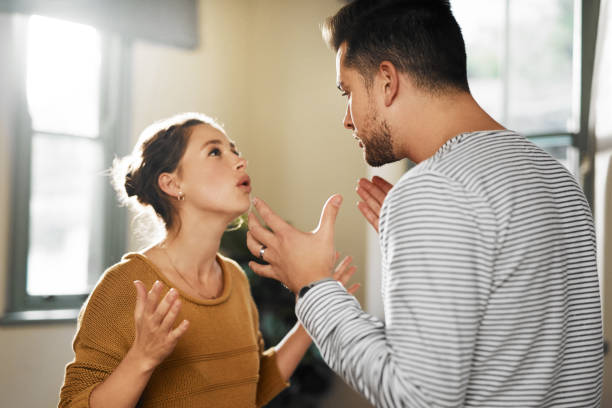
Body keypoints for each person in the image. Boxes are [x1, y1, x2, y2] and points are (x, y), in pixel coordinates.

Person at [245, 0, 603, 407]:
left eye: (347, 92)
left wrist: (313, 286)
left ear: (386, 81)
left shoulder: (433, 191)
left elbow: (418, 400)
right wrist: (424, 248)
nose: (347, 118)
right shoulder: (555, 175)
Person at [58, 112, 358, 407]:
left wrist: (310, 318)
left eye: (235, 150)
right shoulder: (126, 285)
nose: (240, 161)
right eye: (215, 151)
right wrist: (142, 358)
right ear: (172, 184)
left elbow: (250, 390)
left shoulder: (235, 279)